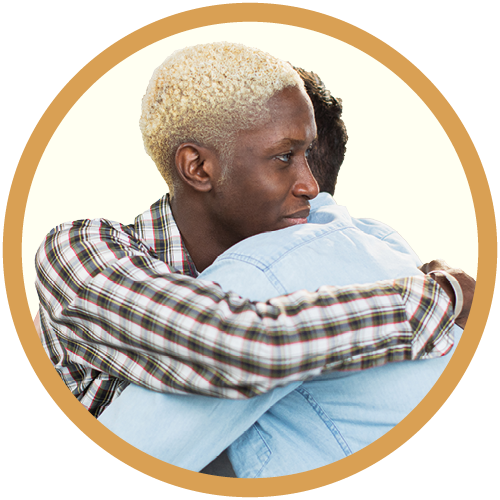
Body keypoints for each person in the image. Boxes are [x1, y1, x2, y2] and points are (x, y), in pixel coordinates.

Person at [35, 42, 468, 474]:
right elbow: (241, 346)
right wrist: (442, 298)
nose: (310, 186)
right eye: (284, 157)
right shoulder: (79, 252)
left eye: (307, 155)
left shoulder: (283, 250)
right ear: (198, 168)